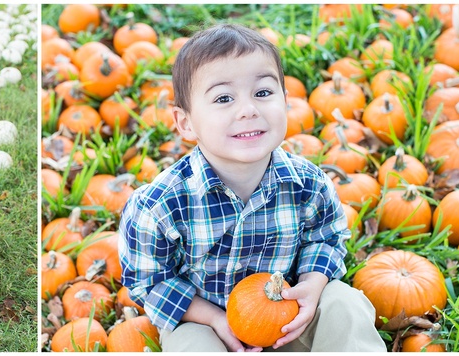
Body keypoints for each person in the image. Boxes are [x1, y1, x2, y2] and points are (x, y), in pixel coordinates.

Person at [118, 24, 385, 352]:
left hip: (290, 316)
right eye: (224, 98)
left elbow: (326, 239)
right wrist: (216, 320)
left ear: (285, 102)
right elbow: (149, 282)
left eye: (262, 93)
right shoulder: (159, 205)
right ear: (186, 122)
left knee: (345, 304)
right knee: (192, 347)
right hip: (207, 324)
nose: (248, 109)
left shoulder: (308, 183)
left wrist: (312, 287)